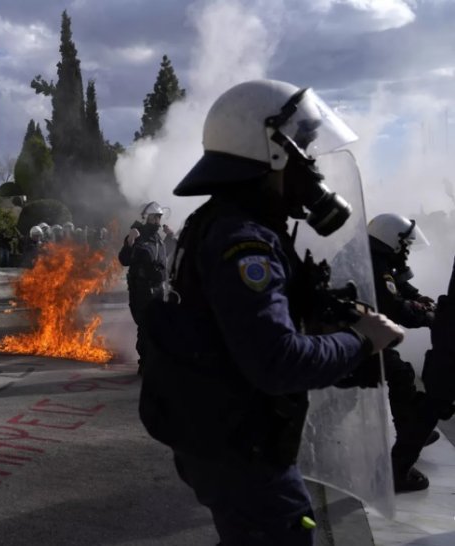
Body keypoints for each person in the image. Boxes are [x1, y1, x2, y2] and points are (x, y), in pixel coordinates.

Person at [138, 79, 404, 546]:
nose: (314, 166)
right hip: (241, 447)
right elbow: (276, 361)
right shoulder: (244, 242)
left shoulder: (227, 224)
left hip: (222, 435)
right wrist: (363, 340)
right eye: (304, 148)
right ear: (272, 151)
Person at [367, 213, 438, 492]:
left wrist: (417, 297)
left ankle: (411, 430)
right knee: (399, 373)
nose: (406, 250)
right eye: (404, 244)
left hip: (358, 332)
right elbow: (394, 306)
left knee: (398, 371)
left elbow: (398, 285)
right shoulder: (377, 264)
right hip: (351, 335)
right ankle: (409, 436)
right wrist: (429, 318)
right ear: (390, 240)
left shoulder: (377, 258)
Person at [118, 202, 173, 375]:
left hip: (158, 289)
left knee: (158, 325)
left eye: (159, 217)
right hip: (141, 290)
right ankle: (145, 364)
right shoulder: (138, 236)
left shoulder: (157, 239)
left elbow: (163, 257)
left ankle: (155, 361)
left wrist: (170, 238)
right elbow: (124, 259)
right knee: (146, 326)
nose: (157, 220)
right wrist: (130, 241)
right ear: (145, 217)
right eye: (154, 217)